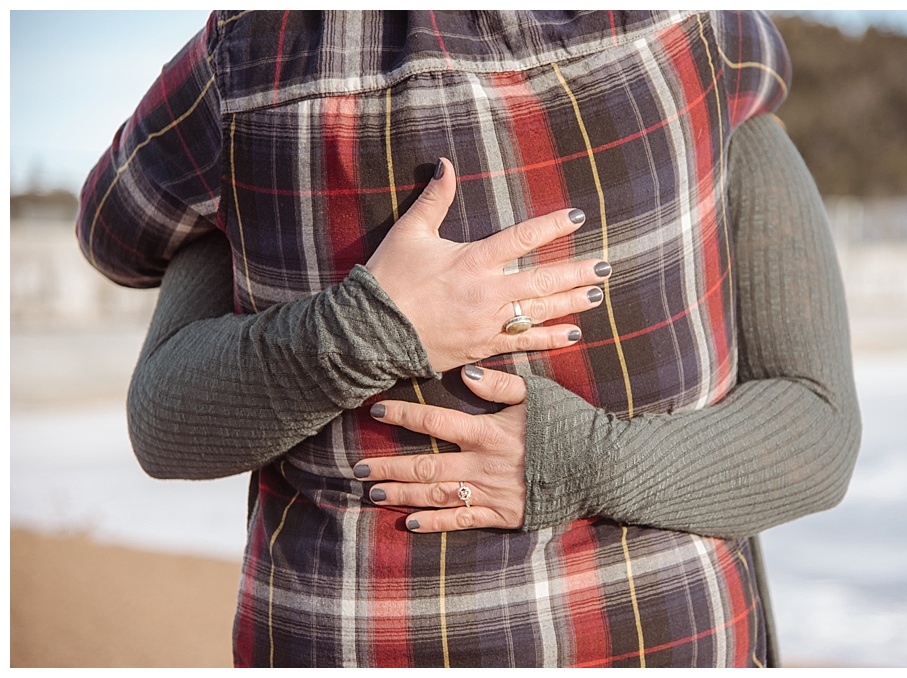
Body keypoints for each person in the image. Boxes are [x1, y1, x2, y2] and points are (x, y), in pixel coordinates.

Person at [77, 11, 860, 667]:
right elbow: (814, 431)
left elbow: (114, 235)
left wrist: (576, 462)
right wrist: (374, 328)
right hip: (663, 637)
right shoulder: (692, 33)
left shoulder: (246, 62)